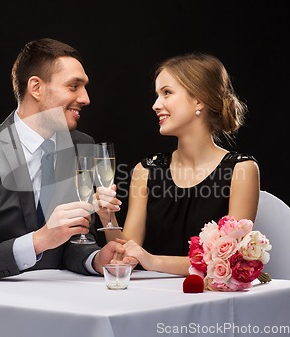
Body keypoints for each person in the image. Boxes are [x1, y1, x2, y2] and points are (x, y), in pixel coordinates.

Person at [0, 38, 125, 282]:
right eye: (73, 86)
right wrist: (39, 241)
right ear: (36, 87)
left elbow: (79, 239)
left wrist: (95, 259)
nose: (86, 98)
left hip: (58, 300)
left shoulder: (83, 145)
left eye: (85, 87)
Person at [95, 53, 260, 276]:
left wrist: (152, 261)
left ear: (199, 99)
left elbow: (228, 261)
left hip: (209, 301)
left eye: (167, 93)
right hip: (152, 298)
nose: (155, 105)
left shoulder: (242, 170)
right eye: (157, 95)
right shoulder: (146, 171)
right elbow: (126, 255)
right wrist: (108, 216)